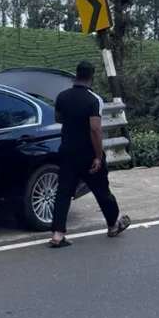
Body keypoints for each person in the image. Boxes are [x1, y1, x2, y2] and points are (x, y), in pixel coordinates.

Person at [49, 60, 130, 248]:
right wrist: (98, 156)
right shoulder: (94, 100)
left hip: (67, 151)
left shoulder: (62, 96)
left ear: (76, 75)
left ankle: (58, 234)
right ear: (91, 77)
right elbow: (95, 129)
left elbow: (58, 118)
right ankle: (113, 225)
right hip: (87, 153)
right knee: (102, 190)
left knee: (63, 192)